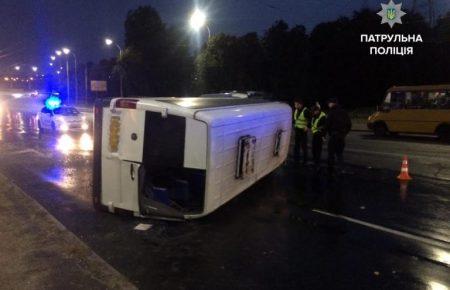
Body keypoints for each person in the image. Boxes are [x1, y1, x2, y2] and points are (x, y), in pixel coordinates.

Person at [325, 98, 352, 174]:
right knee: (339, 153)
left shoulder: (332, 112)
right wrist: (344, 133)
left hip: (334, 136)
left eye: (329, 103)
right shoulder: (344, 112)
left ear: (333, 103)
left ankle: (330, 170)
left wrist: (324, 134)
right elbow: (349, 124)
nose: (328, 105)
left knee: (331, 153)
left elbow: (327, 125)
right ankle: (341, 168)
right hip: (341, 136)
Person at [293, 99, 311, 165]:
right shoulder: (296, 110)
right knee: (296, 146)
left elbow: (311, 119)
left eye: (296, 104)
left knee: (304, 146)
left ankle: (305, 161)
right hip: (297, 130)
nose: (295, 105)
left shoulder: (306, 111)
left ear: (300, 104)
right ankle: (296, 160)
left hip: (303, 131)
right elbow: (295, 120)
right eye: (294, 104)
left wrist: (307, 127)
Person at [311, 104, 327, 169]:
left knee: (318, 150)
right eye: (313, 111)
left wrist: (323, 136)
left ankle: (317, 164)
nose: (313, 112)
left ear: (318, 110)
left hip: (319, 135)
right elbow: (312, 124)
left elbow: (324, 127)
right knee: (314, 150)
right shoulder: (314, 115)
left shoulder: (322, 116)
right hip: (315, 134)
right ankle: (315, 163)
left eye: (314, 111)